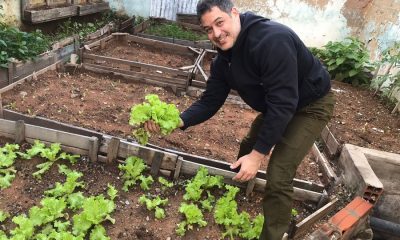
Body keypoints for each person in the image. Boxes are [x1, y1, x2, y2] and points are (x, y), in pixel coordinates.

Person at [145, 0, 335, 239]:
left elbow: (284, 103)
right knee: (248, 145)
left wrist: (258, 156)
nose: (216, 33)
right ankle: (239, 191)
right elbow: (209, 101)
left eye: (219, 22)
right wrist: (177, 121)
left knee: (279, 174)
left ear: (234, 12)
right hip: (278, 103)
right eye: (208, 29)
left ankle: (273, 235)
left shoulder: (272, 41)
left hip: (311, 105)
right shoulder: (224, 60)